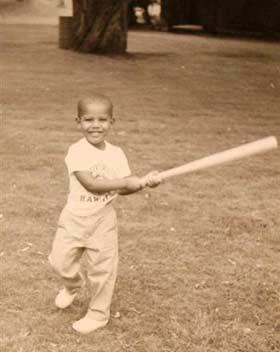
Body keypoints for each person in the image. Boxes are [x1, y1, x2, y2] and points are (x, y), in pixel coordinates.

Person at [48, 94, 160, 334]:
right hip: (75, 217)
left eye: (102, 119)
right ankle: (72, 285)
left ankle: (98, 314)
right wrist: (128, 182)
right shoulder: (77, 151)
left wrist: (142, 184)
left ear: (112, 122)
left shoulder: (116, 154)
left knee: (102, 269)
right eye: (89, 119)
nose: (95, 125)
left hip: (103, 220)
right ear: (78, 122)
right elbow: (91, 184)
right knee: (59, 262)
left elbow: (122, 189)